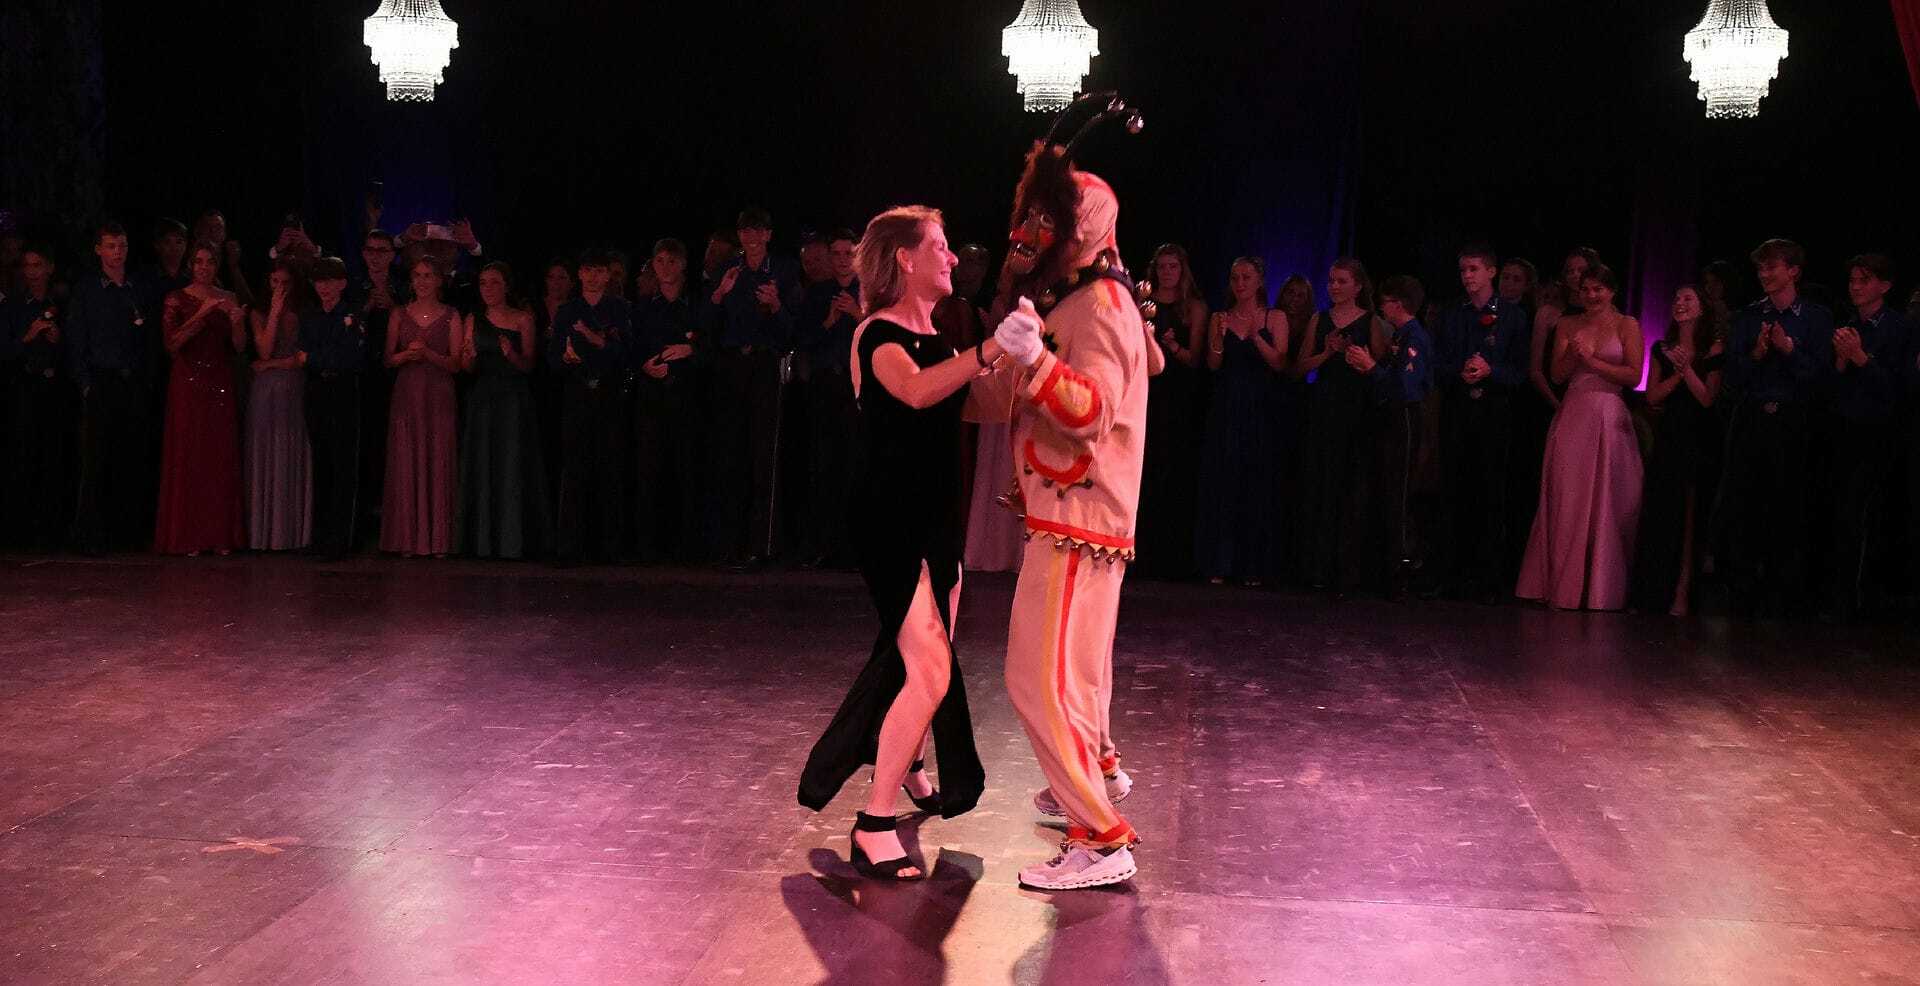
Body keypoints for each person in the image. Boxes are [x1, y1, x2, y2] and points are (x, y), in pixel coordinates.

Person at [798, 206, 997, 880]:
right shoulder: (877, 333)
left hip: (938, 519)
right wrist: (988, 352)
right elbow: (913, 392)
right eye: (940, 246)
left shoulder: (941, 337)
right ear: (906, 260)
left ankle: (908, 761)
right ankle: (873, 823)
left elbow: (984, 404)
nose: (953, 257)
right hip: (889, 524)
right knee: (930, 669)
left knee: (914, 665)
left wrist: (1034, 357)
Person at [988, 94, 1152, 891]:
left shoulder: (1102, 304)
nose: (1032, 236)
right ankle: (1090, 782)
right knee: (1074, 675)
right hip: (1075, 511)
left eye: (1046, 222)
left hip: (1078, 513)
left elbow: (1091, 412)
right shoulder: (1092, 298)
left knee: (1037, 676)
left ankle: (1100, 835)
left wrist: (1037, 363)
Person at [1517, 264, 1644, 610]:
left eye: (1598, 289)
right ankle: (1563, 586)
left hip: (1609, 414)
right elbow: (1557, 375)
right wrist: (1574, 356)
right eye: (1586, 289)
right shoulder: (1568, 324)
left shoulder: (1627, 325)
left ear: (1612, 291)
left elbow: (1634, 375)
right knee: (1568, 497)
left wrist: (1593, 361)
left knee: (1608, 499)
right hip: (1574, 414)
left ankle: (1601, 588)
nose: (1591, 295)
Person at [1718, 239, 1834, 617]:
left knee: (1789, 507)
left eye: (1772, 267)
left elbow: (1822, 378)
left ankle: (1784, 597)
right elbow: (1733, 376)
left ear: (1793, 271)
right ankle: (1742, 594)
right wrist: (1756, 354)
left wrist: (1788, 350)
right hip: (1752, 418)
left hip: (1795, 421)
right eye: (1761, 268)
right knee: (1744, 505)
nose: (1764, 274)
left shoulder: (1816, 317)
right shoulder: (1749, 316)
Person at [1434, 245, 1532, 603]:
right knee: (1452, 491)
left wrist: (1493, 371)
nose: (1467, 276)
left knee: (1491, 494)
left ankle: (1488, 579)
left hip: (1494, 412)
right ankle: (1449, 575)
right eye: (1463, 270)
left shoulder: (1514, 316)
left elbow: (1521, 371)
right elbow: (1437, 364)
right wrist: (1458, 371)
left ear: (1492, 271)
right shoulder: (1451, 314)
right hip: (1458, 410)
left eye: (1474, 269)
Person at [708, 208, 799, 566]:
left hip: (764, 365)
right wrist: (720, 294)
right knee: (730, 452)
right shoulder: (728, 269)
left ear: (768, 235)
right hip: (733, 366)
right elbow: (707, 324)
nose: (751, 238)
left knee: (764, 454)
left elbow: (792, 331)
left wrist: (775, 306)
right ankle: (728, 543)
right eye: (745, 231)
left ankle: (762, 545)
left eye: (758, 231)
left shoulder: (784, 271)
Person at [1630, 286, 1725, 616]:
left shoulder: (1713, 348)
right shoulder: (1662, 348)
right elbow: (1652, 396)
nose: (1679, 303)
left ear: (1702, 308)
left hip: (1699, 435)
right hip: (1670, 433)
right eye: (1676, 298)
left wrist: (1686, 369)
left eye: (1688, 299)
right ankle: (1653, 592)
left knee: (1691, 514)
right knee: (1662, 510)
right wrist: (1676, 373)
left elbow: (1707, 398)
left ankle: (1684, 593)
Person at [1822, 254, 1906, 622]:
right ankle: (1839, 596)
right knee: (1840, 512)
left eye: (1864, 280)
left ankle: (1863, 600)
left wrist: (1859, 358)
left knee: (1867, 514)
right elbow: (1832, 387)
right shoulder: (1847, 325)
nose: (1855, 287)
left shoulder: (1900, 329)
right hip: (1845, 429)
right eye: (1853, 280)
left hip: (1880, 433)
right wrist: (1842, 361)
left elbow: (1899, 389)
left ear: (1884, 286)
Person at [1195, 257, 1288, 586]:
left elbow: (1279, 362)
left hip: (1260, 407)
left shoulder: (1274, 317)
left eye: (1246, 277)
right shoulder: (1220, 317)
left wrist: (1255, 336)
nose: (1240, 284)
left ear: (1259, 280)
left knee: (1255, 483)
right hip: (1227, 405)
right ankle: (1219, 562)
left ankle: (1253, 566)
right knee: (1224, 480)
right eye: (1235, 277)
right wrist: (1219, 339)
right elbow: (1213, 364)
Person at [68, 223, 159, 553]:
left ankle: (128, 533)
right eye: (111, 246)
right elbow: (77, 339)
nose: (118, 252)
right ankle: (91, 536)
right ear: (98, 250)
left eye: (122, 245)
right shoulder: (88, 289)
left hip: (131, 381)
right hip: (101, 380)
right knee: (96, 459)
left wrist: (146, 379)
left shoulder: (137, 287)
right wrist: (86, 383)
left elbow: (149, 339)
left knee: (131, 456)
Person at [153, 241, 247, 556]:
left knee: (218, 456)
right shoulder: (176, 298)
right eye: (199, 261)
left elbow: (239, 346)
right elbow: (171, 343)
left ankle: (219, 536)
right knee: (189, 454)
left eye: (210, 262)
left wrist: (236, 323)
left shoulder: (228, 297)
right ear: (191, 265)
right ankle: (188, 536)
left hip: (219, 380)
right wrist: (201, 314)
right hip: (188, 380)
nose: (204, 267)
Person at [1294, 257, 1382, 592]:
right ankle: (1316, 569)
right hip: (1324, 409)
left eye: (1342, 281)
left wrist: (1363, 361)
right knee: (1321, 486)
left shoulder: (1371, 321)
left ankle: (1347, 573)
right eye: (1331, 280)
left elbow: (1379, 371)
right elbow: (1299, 368)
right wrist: (1327, 353)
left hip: (1356, 412)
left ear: (1357, 286)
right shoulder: (1320, 319)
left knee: (1351, 489)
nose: (1334, 286)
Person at [1345, 275, 1435, 599]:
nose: (1382, 308)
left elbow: (1405, 387)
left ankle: (1402, 572)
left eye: (1385, 302)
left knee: (1399, 492)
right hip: (1391, 418)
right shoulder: (1400, 335)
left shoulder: (1414, 337)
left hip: (1405, 418)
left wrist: (1371, 367)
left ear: (1398, 304)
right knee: (1387, 490)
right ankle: (1388, 568)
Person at [457, 262, 549, 560]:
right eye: (483, 283)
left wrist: (512, 355)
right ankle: (481, 541)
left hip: (512, 401)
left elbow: (529, 365)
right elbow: (466, 367)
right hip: (483, 401)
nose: (488, 288)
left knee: (511, 464)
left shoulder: (523, 318)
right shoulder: (473, 319)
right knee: (483, 464)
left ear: (507, 286)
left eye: (494, 282)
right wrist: (469, 357)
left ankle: (512, 540)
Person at [548, 249, 631, 564]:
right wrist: (565, 358)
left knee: (610, 469)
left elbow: (627, 355)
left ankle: (610, 547)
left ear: (607, 275)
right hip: (578, 395)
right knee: (574, 470)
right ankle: (570, 547)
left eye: (599, 271)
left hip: (609, 396)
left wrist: (601, 344)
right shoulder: (568, 311)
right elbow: (553, 359)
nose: (593, 277)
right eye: (588, 270)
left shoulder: (619, 309)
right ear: (580, 274)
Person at [1132, 243, 1209, 580]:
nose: (1166, 273)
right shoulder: (1142, 302)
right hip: (1146, 391)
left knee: (1173, 470)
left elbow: (1195, 359)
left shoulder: (1194, 307)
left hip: (1177, 394)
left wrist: (1173, 346)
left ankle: (1170, 557)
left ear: (1182, 270)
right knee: (1144, 468)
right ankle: (1138, 552)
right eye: (1162, 266)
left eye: (1172, 267)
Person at [631, 239, 708, 564]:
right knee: (650, 471)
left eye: (672, 261)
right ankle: (649, 547)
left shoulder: (697, 305)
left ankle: (687, 547)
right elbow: (634, 347)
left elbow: (712, 347)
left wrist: (692, 349)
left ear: (683, 264)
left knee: (686, 470)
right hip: (652, 399)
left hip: (688, 398)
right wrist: (645, 366)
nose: (665, 267)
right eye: (660, 261)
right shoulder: (645, 307)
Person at [380, 257, 460, 557]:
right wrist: (406, 356)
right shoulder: (399, 314)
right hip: (408, 393)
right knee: (407, 458)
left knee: (437, 458)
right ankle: (407, 538)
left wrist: (428, 354)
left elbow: (456, 363)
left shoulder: (451, 315)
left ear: (439, 280)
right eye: (417, 275)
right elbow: (388, 358)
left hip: (438, 394)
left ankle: (438, 539)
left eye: (428, 275)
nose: (422, 281)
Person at [798, 229, 863, 569]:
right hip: (825, 384)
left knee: (854, 465)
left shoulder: (871, 291)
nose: (841, 260)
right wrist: (828, 321)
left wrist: (857, 314)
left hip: (857, 388)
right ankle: (822, 545)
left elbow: (884, 336)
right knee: (822, 464)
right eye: (835, 254)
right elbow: (803, 339)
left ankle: (853, 548)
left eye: (847, 253)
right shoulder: (818, 292)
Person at [3, 245, 74, 549]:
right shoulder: (13, 306)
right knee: (24, 455)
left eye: (38, 265)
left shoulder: (63, 304)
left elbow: (75, 348)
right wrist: (28, 336)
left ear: (49, 268)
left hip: (56, 390)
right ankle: (21, 531)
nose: (32, 272)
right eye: (27, 266)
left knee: (54, 457)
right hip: (24, 389)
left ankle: (52, 530)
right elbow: (6, 350)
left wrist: (59, 340)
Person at [298, 256, 366, 559]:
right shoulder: (310, 316)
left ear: (342, 283)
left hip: (343, 392)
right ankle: (320, 537)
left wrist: (316, 358)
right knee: (321, 463)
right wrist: (319, 358)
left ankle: (341, 539)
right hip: (316, 392)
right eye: (319, 281)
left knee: (343, 465)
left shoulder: (352, 315)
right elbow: (302, 354)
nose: (323, 287)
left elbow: (349, 358)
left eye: (329, 280)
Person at [245, 260, 314, 551]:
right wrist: (273, 312)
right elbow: (263, 348)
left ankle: (291, 532)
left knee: (290, 450)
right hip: (265, 393)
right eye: (275, 282)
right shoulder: (258, 313)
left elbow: (301, 359)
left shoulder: (304, 314)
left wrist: (271, 365)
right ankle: (263, 533)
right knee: (266, 450)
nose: (280, 288)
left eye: (285, 283)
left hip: (293, 388)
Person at [354, 229, 402, 549]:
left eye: (382, 251)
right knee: (365, 445)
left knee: (390, 445)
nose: (376, 256)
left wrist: (394, 306)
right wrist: (367, 307)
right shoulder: (353, 287)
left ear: (392, 255)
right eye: (370, 250)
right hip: (360, 378)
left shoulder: (404, 287)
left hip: (394, 378)